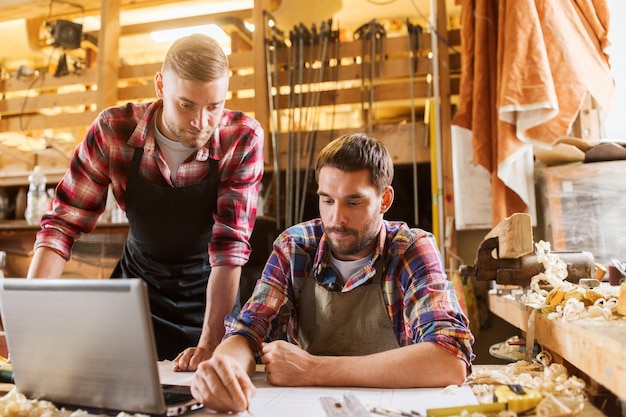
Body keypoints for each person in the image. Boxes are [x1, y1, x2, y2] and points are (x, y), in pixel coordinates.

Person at [26, 33, 264, 370]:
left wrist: (210, 343)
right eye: (186, 105)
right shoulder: (113, 130)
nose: (201, 122)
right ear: (160, 86)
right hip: (135, 297)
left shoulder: (242, 138)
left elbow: (230, 248)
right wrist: (30, 318)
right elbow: (63, 224)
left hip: (210, 302)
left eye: (214, 107)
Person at [190, 133, 475, 413]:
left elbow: (449, 359)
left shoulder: (411, 249)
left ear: (384, 200)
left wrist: (312, 369)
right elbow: (249, 331)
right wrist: (224, 368)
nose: (337, 218)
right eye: (327, 200)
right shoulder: (295, 247)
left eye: (353, 202)